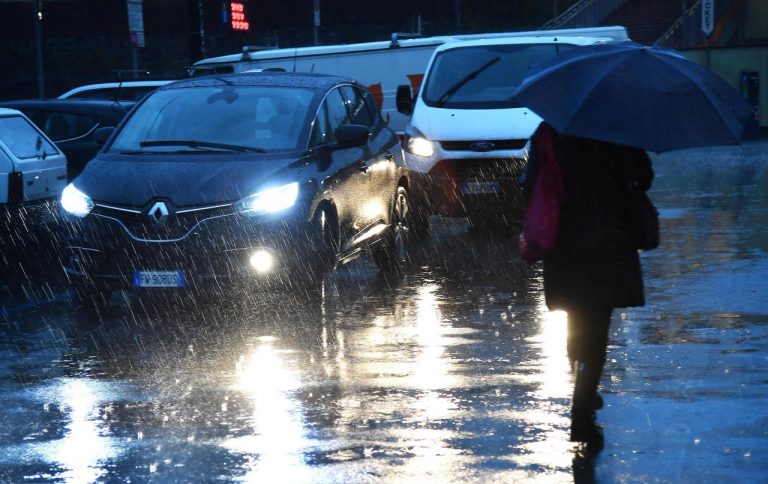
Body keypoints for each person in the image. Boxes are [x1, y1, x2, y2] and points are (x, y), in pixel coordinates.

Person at [523, 123, 654, 445]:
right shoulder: (617, 130)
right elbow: (643, 178)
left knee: (576, 319)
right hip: (609, 240)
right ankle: (582, 407)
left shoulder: (549, 133)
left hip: (564, 240)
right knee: (597, 326)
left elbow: (529, 187)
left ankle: (582, 388)